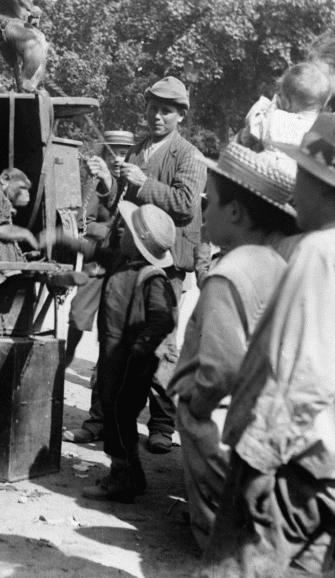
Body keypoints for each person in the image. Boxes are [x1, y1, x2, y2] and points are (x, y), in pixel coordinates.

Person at [198, 114, 335, 577]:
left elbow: (303, 373)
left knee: (234, 568)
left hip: (286, 463)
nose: (294, 189)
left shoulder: (322, 252)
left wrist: (260, 460)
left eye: (301, 173)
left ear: (323, 186)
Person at [169, 143, 300, 550]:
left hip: (220, 426)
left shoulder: (227, 275)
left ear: (237, 213)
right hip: (261, 423)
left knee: (219, 523)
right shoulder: (277, 264)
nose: (203, 211)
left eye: (210, 202)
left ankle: (220, 544)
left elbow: (221, 369)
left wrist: (195, 409)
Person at [90, 76, 207, 454]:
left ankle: (161, 425)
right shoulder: (137, 149)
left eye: (166, 110)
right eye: (152, 108)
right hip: (127, 256)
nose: (157, 115)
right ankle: (100, 419)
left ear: (181, 115)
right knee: (113, 339)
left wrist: (142, 182)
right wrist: (107, 183)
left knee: (159, 344)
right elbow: (119, 205)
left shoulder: (189, 155)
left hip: (166, 263)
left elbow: (186, 205)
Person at [57, 202, 177, 501]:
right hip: (113, 357)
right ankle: (132, 475)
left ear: (139, 243)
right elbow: (95, 251)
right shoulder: (121, 261)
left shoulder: (151, 278)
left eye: (127, 230)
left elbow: (163, 319)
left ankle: (121, 479)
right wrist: (64, 239)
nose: (119, 230)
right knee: (113, 413)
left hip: (132, 364)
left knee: (119, 419)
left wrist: (140, 350)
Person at [63, 130, 135, 444]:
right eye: (112, 152)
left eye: (123, 152)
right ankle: (63, 364)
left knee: (114, 341)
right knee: (78, 317)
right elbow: (83, 221)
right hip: (98, 263)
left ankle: (104, 418)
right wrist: (110, 230)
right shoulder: (97, 181)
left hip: (125, 266)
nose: (117, 159)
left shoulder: (134, 180)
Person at [236, 62, 331, 151]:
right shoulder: (324, 134)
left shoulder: (276, 119)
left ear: (287, 102)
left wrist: (271, 107)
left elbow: (248, 134)